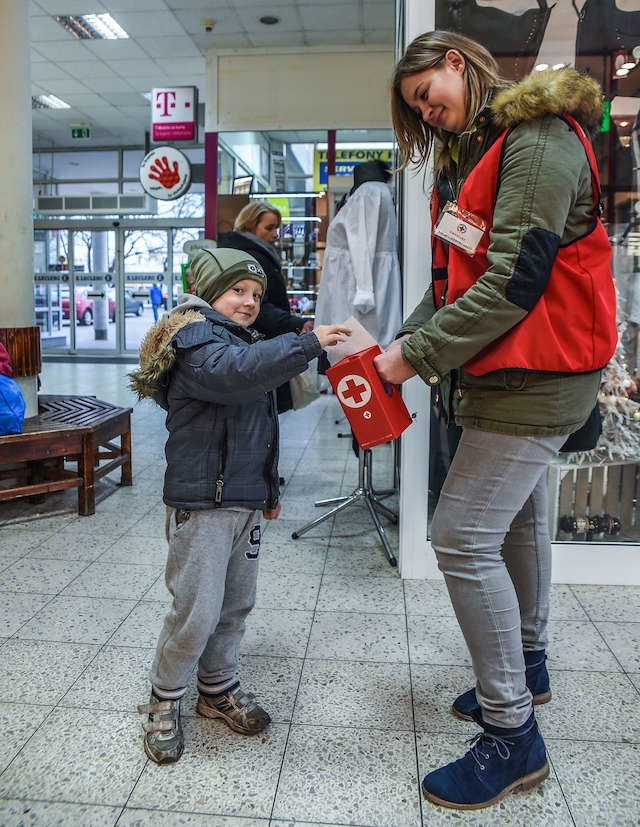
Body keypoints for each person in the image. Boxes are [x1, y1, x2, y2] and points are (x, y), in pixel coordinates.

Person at [375, 31, 617, 810]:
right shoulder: (485, 151)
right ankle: (530, 664)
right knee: (515, 518)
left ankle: (513, 735)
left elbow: (516, 279)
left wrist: (417, 359)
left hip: (538, 376)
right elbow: (457, 275)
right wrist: (405, 339)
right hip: (516, 369)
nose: (429, 114)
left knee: (459, 535)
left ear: (454, 61)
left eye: (425, 95)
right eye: (417, 110)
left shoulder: (537, 141)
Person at [129, 247, 349, 764]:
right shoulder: (193, 340)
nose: (250, 302)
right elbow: (234, 375)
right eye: (237, 292)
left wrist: (268, 492)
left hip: (244, 501)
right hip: (203, 504)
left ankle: (217, 688)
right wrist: (305, 342)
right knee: (197, 609)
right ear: (208, 294)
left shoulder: (242, 342)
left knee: (234, 604)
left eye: (256, 294)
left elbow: (263, 429)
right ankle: (164, 700)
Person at [219, 200, 314, 413]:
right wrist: (295, 323)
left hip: (254, 341)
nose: (276, 234)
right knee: (260, 411)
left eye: (277, 228)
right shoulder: (249, 257)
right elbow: (256, 307)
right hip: (255, 342)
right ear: (249, 225)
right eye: (269, 227)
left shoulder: (251, 252)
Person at [314, 160, 402, 350]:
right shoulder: (374, 192)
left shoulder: (369, 193)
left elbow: (363, 241)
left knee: (351, 343)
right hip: (357, 279)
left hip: (355, 283)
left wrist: (364, 291)